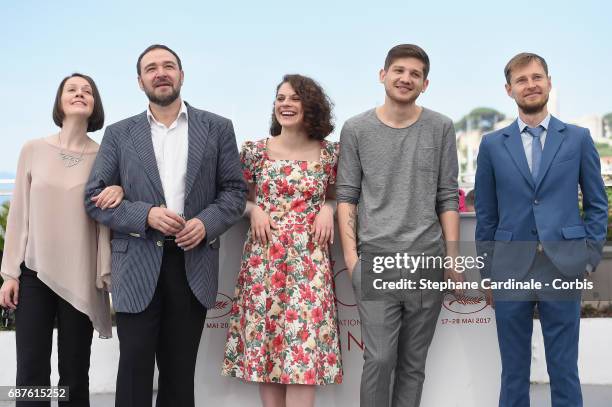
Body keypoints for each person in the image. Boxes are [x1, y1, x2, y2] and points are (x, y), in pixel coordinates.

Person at [84, 44, 247, 407]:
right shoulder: (119, 133)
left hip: (193, 263)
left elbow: (235, 192)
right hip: (137, 263)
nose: (161, 72)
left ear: (181, 75)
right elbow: (93, 197)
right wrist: (144, 215)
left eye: (168, 65)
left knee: (178, 374)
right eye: (151, 68)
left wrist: (206, 224)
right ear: (140, 81)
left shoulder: (217, 128)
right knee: (133, 372)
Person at [475, 52, 608, 407]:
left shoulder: (578, 139)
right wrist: (487, 273)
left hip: (563, 265)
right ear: (509, 90)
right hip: (509, 269)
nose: (530, 85)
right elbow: (487, 215)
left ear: (549, 82)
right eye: (521, 80)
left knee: (564, 368)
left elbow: (597, 204)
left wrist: (589, 257)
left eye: (536, 77)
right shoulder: (491, 145)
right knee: (513, 370)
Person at [337, 44, 460, 407]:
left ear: (425, 84)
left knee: (412, 363)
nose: (406, 78)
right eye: (399, 70)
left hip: (426, 260)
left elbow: (447, 197)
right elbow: (347, 194)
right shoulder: (356, 128)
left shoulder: (441, 127)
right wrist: (351, 257)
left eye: (415, 74)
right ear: (383, 75)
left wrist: (451, 259)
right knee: (378, 359)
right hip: (375, 259)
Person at [222, 74, 342, 407]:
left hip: (309, 262)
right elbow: (232, 197)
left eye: (294, 98)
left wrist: (328, 210)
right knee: (267, 351)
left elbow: (339, 197)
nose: (285, 104)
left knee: (302, 355)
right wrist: (253, 209)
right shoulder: (254, 151)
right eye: (280, 98)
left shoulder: (331, 154)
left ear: (311, 106)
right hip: (264, 260)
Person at [0, 73, 120, 406]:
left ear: (95, 105)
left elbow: (111, 209)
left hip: (81, 277)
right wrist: (10, 273)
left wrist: (119, 188)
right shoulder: (33, 149)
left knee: (74, 374)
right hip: (34, 273)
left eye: (88, 91)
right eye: (72, 89)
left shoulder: (105, 157)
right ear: (60, 101)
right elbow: (20, 215)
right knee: (30, 373)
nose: (80, 93)